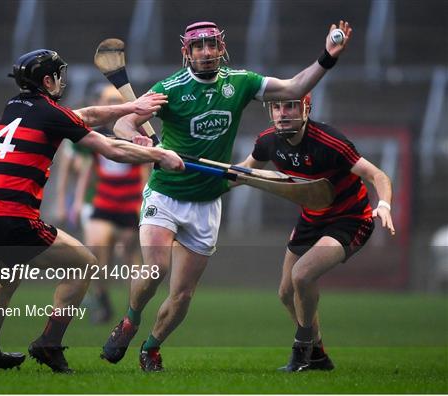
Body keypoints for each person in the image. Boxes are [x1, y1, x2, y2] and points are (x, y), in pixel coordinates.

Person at [101, 20, 353, 372]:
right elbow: (123, 123)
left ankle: (152, 347)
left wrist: (328, 56)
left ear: (222, 48)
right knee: (156, 268)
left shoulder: (242, 82)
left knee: (183, 294)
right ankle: (130, 320)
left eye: (211, 46)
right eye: (198, 47)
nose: (206, 53)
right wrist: (140, 140)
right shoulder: (169, 88)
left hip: (207, 200)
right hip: (166, 193)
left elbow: (295, 86)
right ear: (186, 52)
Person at [0, 49, 184, 373]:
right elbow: (110, 148)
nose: (62, 82)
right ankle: (49, 345)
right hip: (13, 220)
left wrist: (130, 108)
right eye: (58, 75)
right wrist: (159, 156)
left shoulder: (14, 107)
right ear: (48, 80)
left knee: (6, 280)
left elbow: (83, 115)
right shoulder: (51, 114)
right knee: (85, 265)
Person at [237, 93, 396, 372]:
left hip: (350, 219)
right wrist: (199, 180)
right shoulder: (267, 141)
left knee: (302, 274)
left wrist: (383, 204)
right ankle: (319, 356)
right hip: (311, 219)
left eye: (290, 106)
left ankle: (301, 352)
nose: (283, 113)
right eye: (277, 107)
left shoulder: (330, 142)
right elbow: (242, 173)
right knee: (286, 293)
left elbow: (378, 176)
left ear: (306, 109)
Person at [73, 84, 149, 324]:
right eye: (108, 100)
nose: (112, 104)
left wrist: (144, 201)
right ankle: (102, 301)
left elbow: (146, 168)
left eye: (117, 99)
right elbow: (88, 169)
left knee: (130, 255)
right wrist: (77, 201)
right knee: (96, 251)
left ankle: (134, 308)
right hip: (104, 200)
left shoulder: (134, 131)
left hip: (130, 202)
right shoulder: (94, 133)